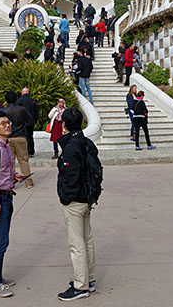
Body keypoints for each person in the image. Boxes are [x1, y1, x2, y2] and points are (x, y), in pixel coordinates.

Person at [0, 110, 27, 298]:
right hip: (0, 199)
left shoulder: (5, 144)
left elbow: (1, 171)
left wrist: (13, 177)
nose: (7, 125)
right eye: (3, 123)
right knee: (1, 240)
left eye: (8, 122)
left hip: (7, 194)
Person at [56, 107, 99, 301]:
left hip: (75, 200)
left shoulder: (72, 146)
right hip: (87, 197)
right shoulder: (86, 142)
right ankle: (88, 279)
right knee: (87, 239)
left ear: (63, 124)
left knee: (77, 243)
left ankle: (81, 286)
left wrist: (66, 197)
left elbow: (71, 176)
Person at [3, 91, 34, 188]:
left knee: (9, 161)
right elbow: (30, 120)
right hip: (20, 136)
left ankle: (11, 181)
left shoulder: (3, 111)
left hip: (8, 137)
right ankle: (28, 182)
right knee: (23, 160)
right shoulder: (22, 110)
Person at [16, 88, 38, 156]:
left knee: (23, 137)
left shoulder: (19, 101)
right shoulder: (33, 101)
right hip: (31, 122)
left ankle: (24, 151)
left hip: (22, 123)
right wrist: (34, 121)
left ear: (22, 92)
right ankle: (31, 151)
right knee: (30, 136)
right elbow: (36, 113)